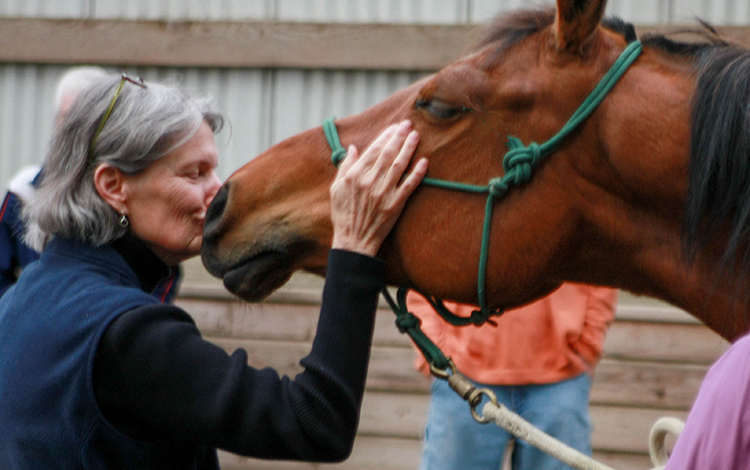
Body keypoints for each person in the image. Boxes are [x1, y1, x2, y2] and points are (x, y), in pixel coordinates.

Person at [0, 72, 427, 468]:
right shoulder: (128, 334)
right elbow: (316, 422)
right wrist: (353, 248)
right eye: (194, 173)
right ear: (113, 186)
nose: (217, 189)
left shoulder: (20, 301)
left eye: (214, 169)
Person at [408, 283, 618, 470]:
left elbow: (604, 258)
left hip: (561, 376)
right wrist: (434, 348)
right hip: (462, 375)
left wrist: (587, 343)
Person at [0, 66, 110, 297]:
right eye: (68, 118)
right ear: (56, 123)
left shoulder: (125, 196)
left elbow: (159, 277)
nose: (75, 131)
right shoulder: (24, 190)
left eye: (89, 121)